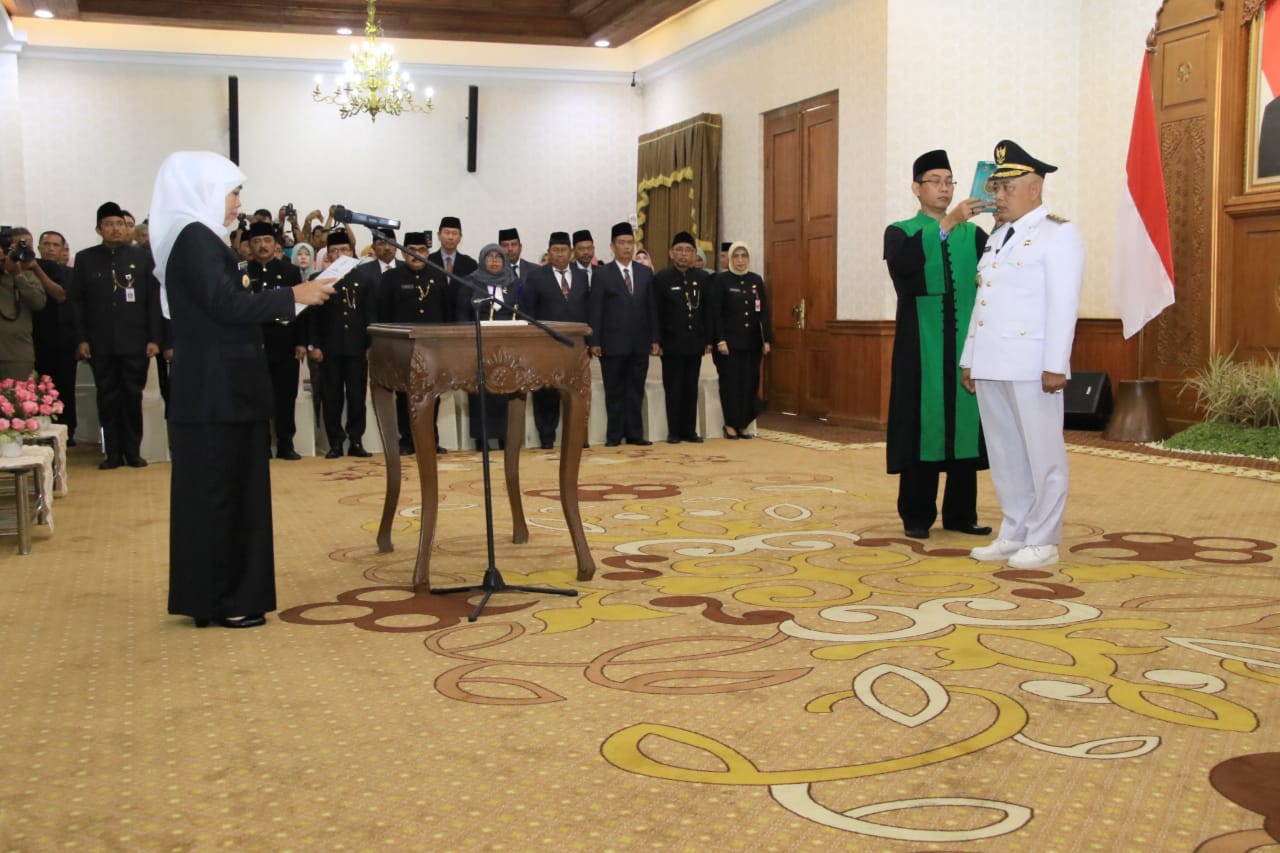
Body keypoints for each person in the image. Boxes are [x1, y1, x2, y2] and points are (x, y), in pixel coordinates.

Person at [149, 150, 333, 629]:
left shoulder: (198, 238)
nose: (237, 204)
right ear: (202, 190)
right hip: (218, 393)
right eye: (233, 192)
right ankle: (226, 596)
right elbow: (226, 305)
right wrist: (293, 294)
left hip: (220, 390)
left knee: (224, 493)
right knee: (222, 495)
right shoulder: (195, 238)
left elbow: (222, 305)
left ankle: (217, 595)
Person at [960, 140, 1084, 570]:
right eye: (996, 188)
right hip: (993, 362)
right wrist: (970, 356)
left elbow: (1063, 304)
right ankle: (1015, 529)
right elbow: (984, 300)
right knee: (1005, 451)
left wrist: (1056, 364)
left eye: (1006, 188)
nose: (997, 196)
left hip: (1033, 366)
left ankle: (1045, 539)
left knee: (1042, 452)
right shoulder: (998, 238)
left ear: (1034, 188)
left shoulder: (1058, 234)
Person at [884, 149, 992, 539]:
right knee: (922, 423)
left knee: (965, 421)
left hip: (966, 346)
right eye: (935, 181)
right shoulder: (901, 231)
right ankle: (916, 515)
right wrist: (946, 223)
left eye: (949, 181)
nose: (944, 188)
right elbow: (905, 272)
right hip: (921, 349)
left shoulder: (975, 235)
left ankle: (961, 514)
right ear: (917, 188)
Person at [71, 201, 163, 469]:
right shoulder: (86, 259)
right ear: (99, 229)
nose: (115, 229)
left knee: (132, 397)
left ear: (127, 228)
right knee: (107, 397)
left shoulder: (143, 259)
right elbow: (77, 303)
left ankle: (133, 452)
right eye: (109, 224)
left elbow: (153, 301)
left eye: (120, 224)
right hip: (100, 343)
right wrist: (81, 339)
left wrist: (155, 338)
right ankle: (111, 453)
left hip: (135, 342)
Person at [307, 230, 378, 459]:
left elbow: (370, 315)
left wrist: (371, 344)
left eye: (344, 250)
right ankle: (335, 442)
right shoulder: (318, 280)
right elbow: (313, 318)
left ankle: (356, 440)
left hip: (357, 348)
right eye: (334, 251)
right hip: (330, 348)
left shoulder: (365, 279)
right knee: (332, 396)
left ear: (352, 252)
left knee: (357, 396)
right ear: (328, 255)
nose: (340, 254)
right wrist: (313, 345)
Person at [378, 231, 450, 454]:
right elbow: (384, 315)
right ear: (403, 252)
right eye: (411, 251)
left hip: (432, 346)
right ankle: (407, 441)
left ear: (427, 252)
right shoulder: (391, 278)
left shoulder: (438, 275)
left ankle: (431, 440)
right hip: (403, 346)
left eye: (420, 250)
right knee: (404, 395)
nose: (415, 255)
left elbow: (446, 312)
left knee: (432, 395)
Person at [587, 221, 658, 447]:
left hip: (639, 343)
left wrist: (655, 338)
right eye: (622, 243)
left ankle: (635, 434)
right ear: (612, 246)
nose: (627, 247)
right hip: (612, 343)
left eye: (630, 243)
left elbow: (651, 308)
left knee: (635, 390)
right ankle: (614, 435)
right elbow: (595, 309)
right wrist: (594, 340)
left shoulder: (645, 273)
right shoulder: (602, 274)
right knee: (615, 391)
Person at [519, 231, 590, 448]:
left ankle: (576, 436)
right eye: (555, 251)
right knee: (546, 393)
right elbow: (527, 311)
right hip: (546, 344)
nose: (560, 255)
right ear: (549, 252)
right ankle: (547, 437)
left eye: (563, 250)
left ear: (570, 253)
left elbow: (588, 308)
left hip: (575, 344)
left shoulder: (580, 276)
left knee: (575, 391)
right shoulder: (536, 276)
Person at [244, 221, 306, 459]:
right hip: (253, 345)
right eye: (257, 241)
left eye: (267, 241)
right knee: (257, 396)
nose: (262, 246)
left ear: (275, 245)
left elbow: (300, 309)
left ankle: (285, 443)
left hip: (284, 343)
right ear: (250, 245)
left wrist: (301, 341)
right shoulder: (243, 272)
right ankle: (260, 444)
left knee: (285, 396)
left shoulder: (290, 271)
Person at [707, 242, 772, 439]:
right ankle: (730, 424)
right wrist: (719, 340)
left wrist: (766, 339)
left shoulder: (755, 281)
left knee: (750, 383)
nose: (740, 260)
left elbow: (763, 312)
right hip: (728, 345)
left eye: (744, 256)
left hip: (752, 344)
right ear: (730, 259)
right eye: (736, 256)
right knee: (731, 385)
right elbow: (715, 313)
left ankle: (744, 423)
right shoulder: (721, 280)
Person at [457, 243, 518, 449]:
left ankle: (505, 436)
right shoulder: (470, 282)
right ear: (482, 260)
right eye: (489, 257)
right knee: (481, 392)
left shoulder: (514, 283)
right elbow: (462, 314)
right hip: (479, 345)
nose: (494, 260)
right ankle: (482, 439)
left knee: (506, 390)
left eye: (498, 257)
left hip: (509, 346)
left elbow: (524, 310)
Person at [654, 231, 710, 443]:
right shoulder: (661, 278)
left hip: (694, 342)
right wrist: (657, 340)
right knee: (674, 389)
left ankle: (690, 430)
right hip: (671, 344)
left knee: (690, 388)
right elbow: (656, 312)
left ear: (695, 254)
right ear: (671, 253)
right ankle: (674, 431)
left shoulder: (703, 278)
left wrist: (707, 339)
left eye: (688, 250)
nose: (683, 254)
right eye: (679, 250)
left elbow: (707, 312)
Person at [33, 230, 79, 440]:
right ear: (39, 248)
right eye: (47, 244)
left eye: (55, 245)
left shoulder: (69, 273)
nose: (51, 248)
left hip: (64, 340)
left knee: (64, 389)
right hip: (34, 339)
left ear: (63, 249)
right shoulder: (22, 269)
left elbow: (60, 295)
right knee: (35, 389)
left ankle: (67, 432)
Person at [0, 229, 48, 381]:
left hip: (18, 353)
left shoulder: (26, 274)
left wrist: (17, 275)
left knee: (18, 401)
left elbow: (38, 303)